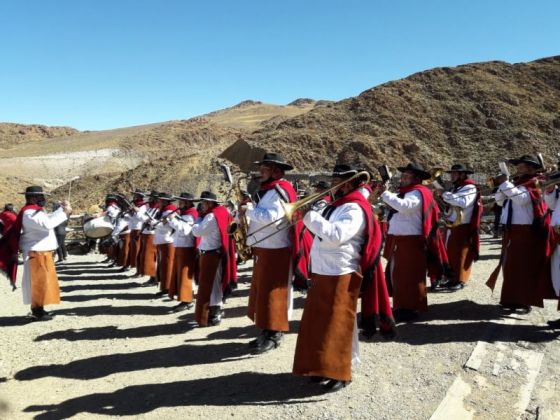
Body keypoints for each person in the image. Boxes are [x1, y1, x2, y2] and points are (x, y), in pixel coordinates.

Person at [293, 164, 394, 392]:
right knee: (320, 323)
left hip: (341, 271)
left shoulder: (354, 209)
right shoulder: (337, 206)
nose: (331, 186)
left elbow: (335, 235)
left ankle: (341, 370)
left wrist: (309, 215)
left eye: (335, 181)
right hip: (324, 269)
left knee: (339, 324)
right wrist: (313, 213)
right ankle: (322, 366)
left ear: (346, 184)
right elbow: (320, 232)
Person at [241, 152, 311, 355]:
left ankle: (275, 333)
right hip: (265, 248)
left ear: (276, 171)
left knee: (274, 293)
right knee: (263, 292)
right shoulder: (268, 190)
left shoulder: (281, 190)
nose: (260, 173)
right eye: (261, 169)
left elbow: (272, 217)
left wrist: (249, 210)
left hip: (276, 248)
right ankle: (265, 329)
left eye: (264, 169)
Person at [381, 163, 450, 322]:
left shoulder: (418, 193)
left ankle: (411, 308)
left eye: (406, 176)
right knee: (398, 276)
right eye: (403, 176)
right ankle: (401, 306)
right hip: (401, 240)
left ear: (416, 178)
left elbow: (405, 207)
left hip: (411, 241)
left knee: (410, 276)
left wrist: (386, 194)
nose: (402, 179)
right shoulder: (406, 192)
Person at [487, 154, 555, 313]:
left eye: (521, 165)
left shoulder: (536, 182)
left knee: (524, 267)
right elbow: (500, 202)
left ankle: (525, 300)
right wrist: (502, 188)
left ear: (530, 168)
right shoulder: (517, 183)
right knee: (510, 266)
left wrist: (505, 184)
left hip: (526, 230)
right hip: (512, 229)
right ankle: (511, 299)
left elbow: (522, 199)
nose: (518, 168)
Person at [11, 186, 71, 320]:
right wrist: (65, 212)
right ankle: (37, 311)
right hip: (37, 250)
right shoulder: (30, 213)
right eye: (40, 197)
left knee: (43, 281)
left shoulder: (34, 211)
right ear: (32, 198)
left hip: (40, 250)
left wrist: (61, 210)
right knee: (38, 282)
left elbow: (47, 218)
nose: (43, 199)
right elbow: (48, 223)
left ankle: (39, 309)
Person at [192, 191, 237, 327]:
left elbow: (197, 232)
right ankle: (214, 311)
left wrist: (198, 220)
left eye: (204, 203)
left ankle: (214, 313)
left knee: (210, 285)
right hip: (213, 252)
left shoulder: (211, 216)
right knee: (213, 284)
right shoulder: (220, 212)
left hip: (211, 253)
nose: (202, 206)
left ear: (210, 203)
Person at [438, 164, 481, 290]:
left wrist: (444, 194)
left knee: (461, 253)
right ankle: (452, 278)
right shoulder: (456, 187)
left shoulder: (469, 187)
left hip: (463, 224)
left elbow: (463, 202)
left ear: (462, 174)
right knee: (451, 253)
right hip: (453, 223)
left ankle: (460, 279)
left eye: (454, 173)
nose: (452, 176)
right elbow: (452, 204)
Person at [166, 192, 198, 312]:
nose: (179, 204)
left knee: (185, 274)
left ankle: (187, 299)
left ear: (188, 202)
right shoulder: (184, 214)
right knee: (180, 274)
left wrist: (172, 220)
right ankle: (184, 298)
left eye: (182, 201)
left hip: (186, 247)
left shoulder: (190, 215)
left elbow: (184, 230)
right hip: (180, 246)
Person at [153, 193, 177, 296]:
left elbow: (166, 227)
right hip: (161, 240)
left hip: (167, 241)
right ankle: (164, 286)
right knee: (162, 265)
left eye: (160, 200)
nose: (158, 202)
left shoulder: (169, 211)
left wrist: (153, 223)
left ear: (165, 201)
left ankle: (167, 287)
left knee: (167, 265)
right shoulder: (162, 210)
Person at [137, 191, 160, 286]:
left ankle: (154, 277)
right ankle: (151, 277)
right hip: (146, 233)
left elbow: (151, 221)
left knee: (151, 257)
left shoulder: (157, 209)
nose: (149, 199)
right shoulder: (150, 208)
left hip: (152, 234)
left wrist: (140, 214)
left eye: (151, 198)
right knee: (146, 256)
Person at [127, 190, 148, 276]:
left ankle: (139, 269)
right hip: (133, 228)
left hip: (139, 228)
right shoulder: (135, 204)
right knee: (134, 248)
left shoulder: (143, 206)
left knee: (137, 249)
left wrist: (136, 211)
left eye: (136, 195)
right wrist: (130, 212)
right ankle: (136, 268)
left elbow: (140, 218)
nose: (134, 197)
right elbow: (132, 217)